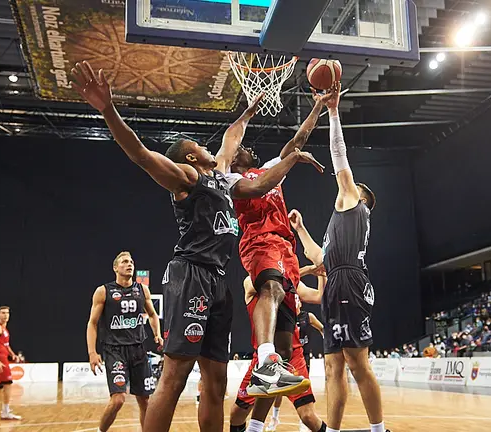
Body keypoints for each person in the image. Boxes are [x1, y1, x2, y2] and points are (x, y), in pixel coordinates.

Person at [70, 60, 321, 432]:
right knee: (175, 374)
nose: (209, 147)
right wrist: (108, 111)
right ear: (190, 157)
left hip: (219, 280)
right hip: (191, 274)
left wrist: (250, 111)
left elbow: (236, 147)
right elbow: (141, 154)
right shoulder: (187, 177)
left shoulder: (223, 176)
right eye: (199, 146)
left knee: (215, 383)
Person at [224, 89, 333, 398]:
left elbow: (295, 144)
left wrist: (316, 108)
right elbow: (263, 185)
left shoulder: (268, 167)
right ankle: (264, 362)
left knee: (286, 341)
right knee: (270, 289)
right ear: (232, 160)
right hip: (259, 242)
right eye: (241, 148)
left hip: (285, 249)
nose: (246, 148)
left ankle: (270, 369)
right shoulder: (233, 181)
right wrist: (292, 160)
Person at [318, 83, 385, 432]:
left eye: (355, 185)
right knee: (332, 366)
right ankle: (332, 429)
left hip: (349, 281)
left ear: (361, 199)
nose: (348, 183)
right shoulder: (340, 221)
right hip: (336, 280)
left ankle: (378, 429)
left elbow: (338, 154)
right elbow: (322, 259)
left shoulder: (352, 203)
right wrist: (298, 232)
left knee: (356, 363)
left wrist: (332, 111)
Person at [230, 267, 327, 432]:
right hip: (263, 357)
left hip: (293, 355)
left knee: (308, 416)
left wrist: (321, 274)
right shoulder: (251, 281)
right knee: (237, 414)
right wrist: (305, 270)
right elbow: (270, 280)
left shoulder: (293, 282)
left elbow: (318, 296)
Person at [86, 251, 163, 432]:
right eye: (124, 262)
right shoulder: (104, 291)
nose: (129, 264)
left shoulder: (142, 290)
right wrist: (92, 352)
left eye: (131, 262)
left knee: (145, 400)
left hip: (138, 350)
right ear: (115, 268)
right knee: (118, 399)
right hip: (115, 351)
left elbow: (152, 315)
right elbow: (92, 323)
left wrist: (157, 334)